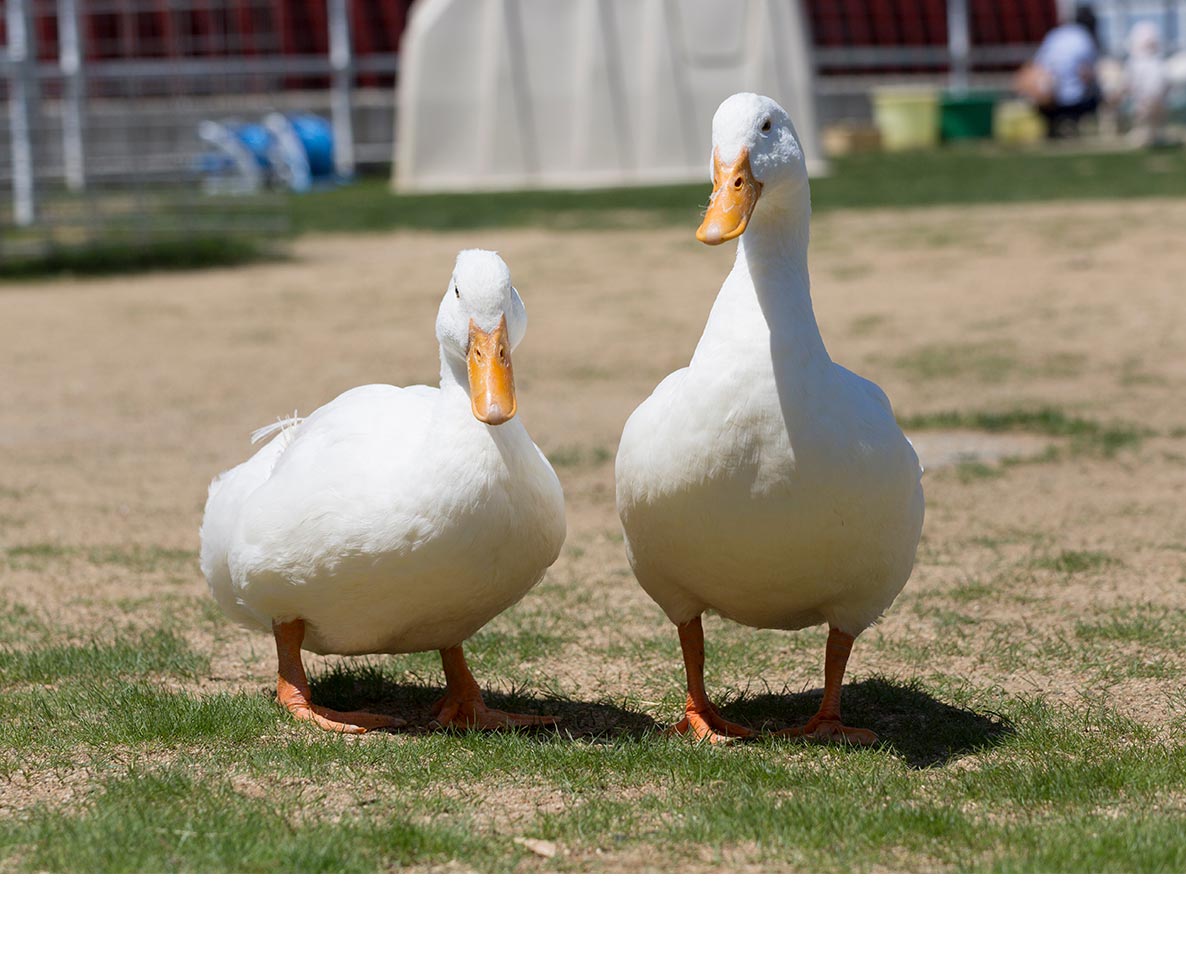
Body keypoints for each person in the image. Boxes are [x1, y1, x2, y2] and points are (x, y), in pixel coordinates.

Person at [1025, 5, 1102, 138]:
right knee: (1098, 86)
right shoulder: (1086, 39)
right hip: (1072, 101)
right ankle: (1071, 124)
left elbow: (1037, 66)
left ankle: (1056, 125)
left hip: (1045, 98)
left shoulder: (1055, 34)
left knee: (1046, 85)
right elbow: (1086, 73)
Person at [1125, 21, 1169, 146]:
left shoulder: (1154, 61)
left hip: (1150, 105)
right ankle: (1149, 134)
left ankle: (1151, 134)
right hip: (1147, 105)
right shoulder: (1141, 62)